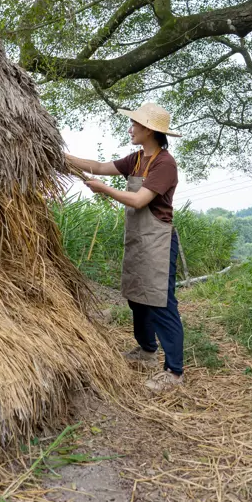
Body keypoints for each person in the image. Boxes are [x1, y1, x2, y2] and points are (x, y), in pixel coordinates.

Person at [65, 103, 185, 394]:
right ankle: (146, 351)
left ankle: (174, 371)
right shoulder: (137, 159)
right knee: (138, 298)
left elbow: (139, 200)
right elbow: (100, 167)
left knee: (160, 302)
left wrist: (103, 189)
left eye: (135, 125)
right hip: (139, 239)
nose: (130, 129)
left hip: (157, 240)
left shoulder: (164, 163)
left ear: (150, 130)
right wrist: (62, 157)